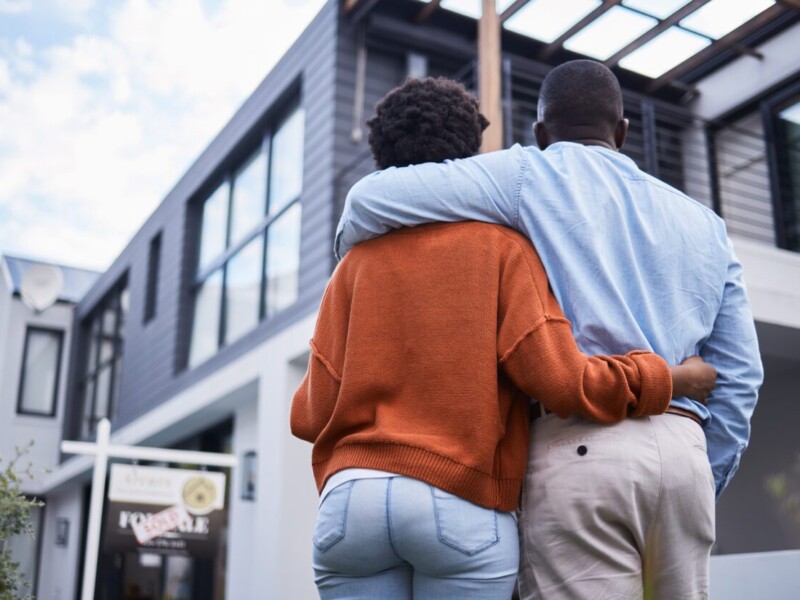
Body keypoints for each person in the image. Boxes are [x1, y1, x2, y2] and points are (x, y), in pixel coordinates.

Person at [336, 61, 764, 599]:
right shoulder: (706, 223)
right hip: (684, 454)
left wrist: (351, 259)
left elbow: (368, 200)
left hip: (577, 445)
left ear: (540, 133)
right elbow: (740, 374)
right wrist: (703, 467)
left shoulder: (525, 174)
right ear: (623, 131)